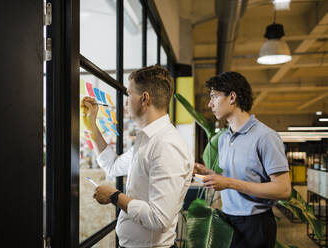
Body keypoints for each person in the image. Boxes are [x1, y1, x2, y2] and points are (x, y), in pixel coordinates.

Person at [81, 65, 194, 248]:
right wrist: (92, 124)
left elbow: (159, 219)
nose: (125, 102)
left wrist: (115, 196)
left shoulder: (166, 145)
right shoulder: (148, 140)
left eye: (129, 94)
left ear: (144, 98)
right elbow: (113, 166)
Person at [194, 71, 291, 248]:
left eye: (214, 97)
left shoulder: (265, 137)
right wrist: (208, 173)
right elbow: (236, 176)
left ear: (232, 97)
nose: (209, 104)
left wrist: (229, 183)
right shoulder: (223, 138)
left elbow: (283, 189)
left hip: (256, 224)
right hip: (229, 220)